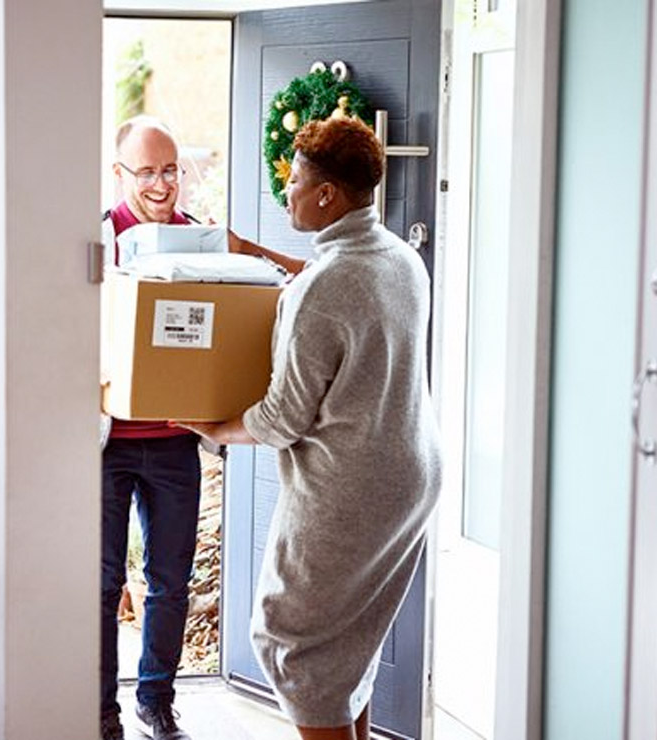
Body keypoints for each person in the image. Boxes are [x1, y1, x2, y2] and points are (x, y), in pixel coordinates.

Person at [177, 116, 442, 740]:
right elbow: (337, 287)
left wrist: (213, 427)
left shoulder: (323, 288)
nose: (286, 192)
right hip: (412, 476)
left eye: (294, 181)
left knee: (290, 642)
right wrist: (260, 255)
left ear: (327, 195)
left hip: (353, 487)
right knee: (351, 642)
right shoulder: (399, 257)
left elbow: (281, 419)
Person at [99, 116, 200, 740]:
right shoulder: (99, 238)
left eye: (170, 171)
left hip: (175, 439)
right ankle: (100, 710)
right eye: (147, 172)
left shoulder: (198, 238)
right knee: (102, 583)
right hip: (108, 444)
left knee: (170, 580)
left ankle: (155, 702)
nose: (161, 185)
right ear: (120, 174)